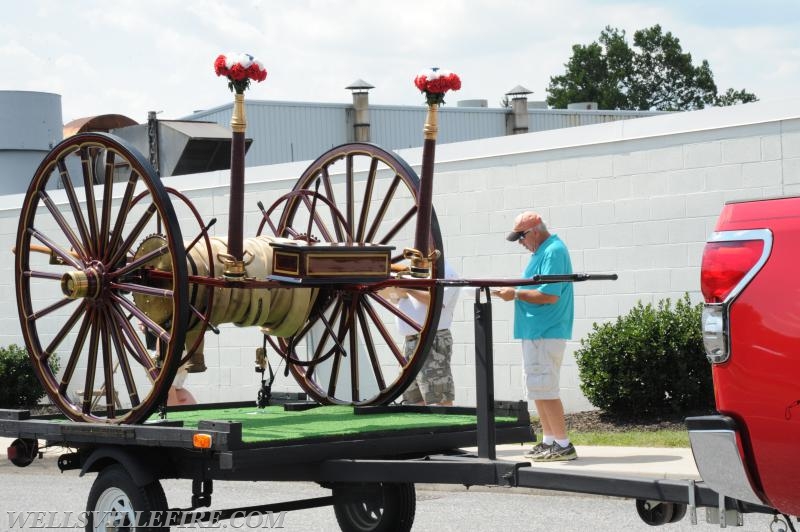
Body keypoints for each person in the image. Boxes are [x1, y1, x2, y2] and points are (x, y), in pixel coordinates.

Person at [495, 211, 576, 461]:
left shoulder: (553, 251)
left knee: (545, 388)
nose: (521, 242)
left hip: (545, 330)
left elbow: (549, 295)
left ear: (534, 231)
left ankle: (564, 445)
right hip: (537, 331)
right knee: (537, 388)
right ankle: (550, 440)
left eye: (521, 237)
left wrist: (515, 294)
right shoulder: (543, 252)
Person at [384, 261, 460, 406]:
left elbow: (438, 300)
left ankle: (445, 428)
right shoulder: (414, 271)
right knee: (412, 397)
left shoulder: (447, 270)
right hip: (411, 339)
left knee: (439, 395)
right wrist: (395, 290)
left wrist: (408, 288)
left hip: (432, 338)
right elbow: (397, 299)